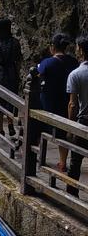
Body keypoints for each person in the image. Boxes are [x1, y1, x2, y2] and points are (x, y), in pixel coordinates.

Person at [38, 33, 78, 172]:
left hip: (49, 102)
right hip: (67, 101)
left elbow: (38, 76)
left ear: (52, 47)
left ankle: (39, 156)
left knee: (40, 128)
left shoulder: (47, 63)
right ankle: (62, 162)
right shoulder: (73, 62)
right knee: (64, 131)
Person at [0, 18, 21, 137]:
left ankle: (0, 129)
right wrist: (17, 73)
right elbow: (18, 60)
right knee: (11, 101)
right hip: (11, 74)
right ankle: (11, 124)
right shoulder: (15, 42)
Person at [66, 36, 88, 191]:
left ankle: (71, 193)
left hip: (83, 121)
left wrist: (70, 127)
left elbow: (73, 104)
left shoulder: (76, 74)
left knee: (75, 161)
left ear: (80, 49)